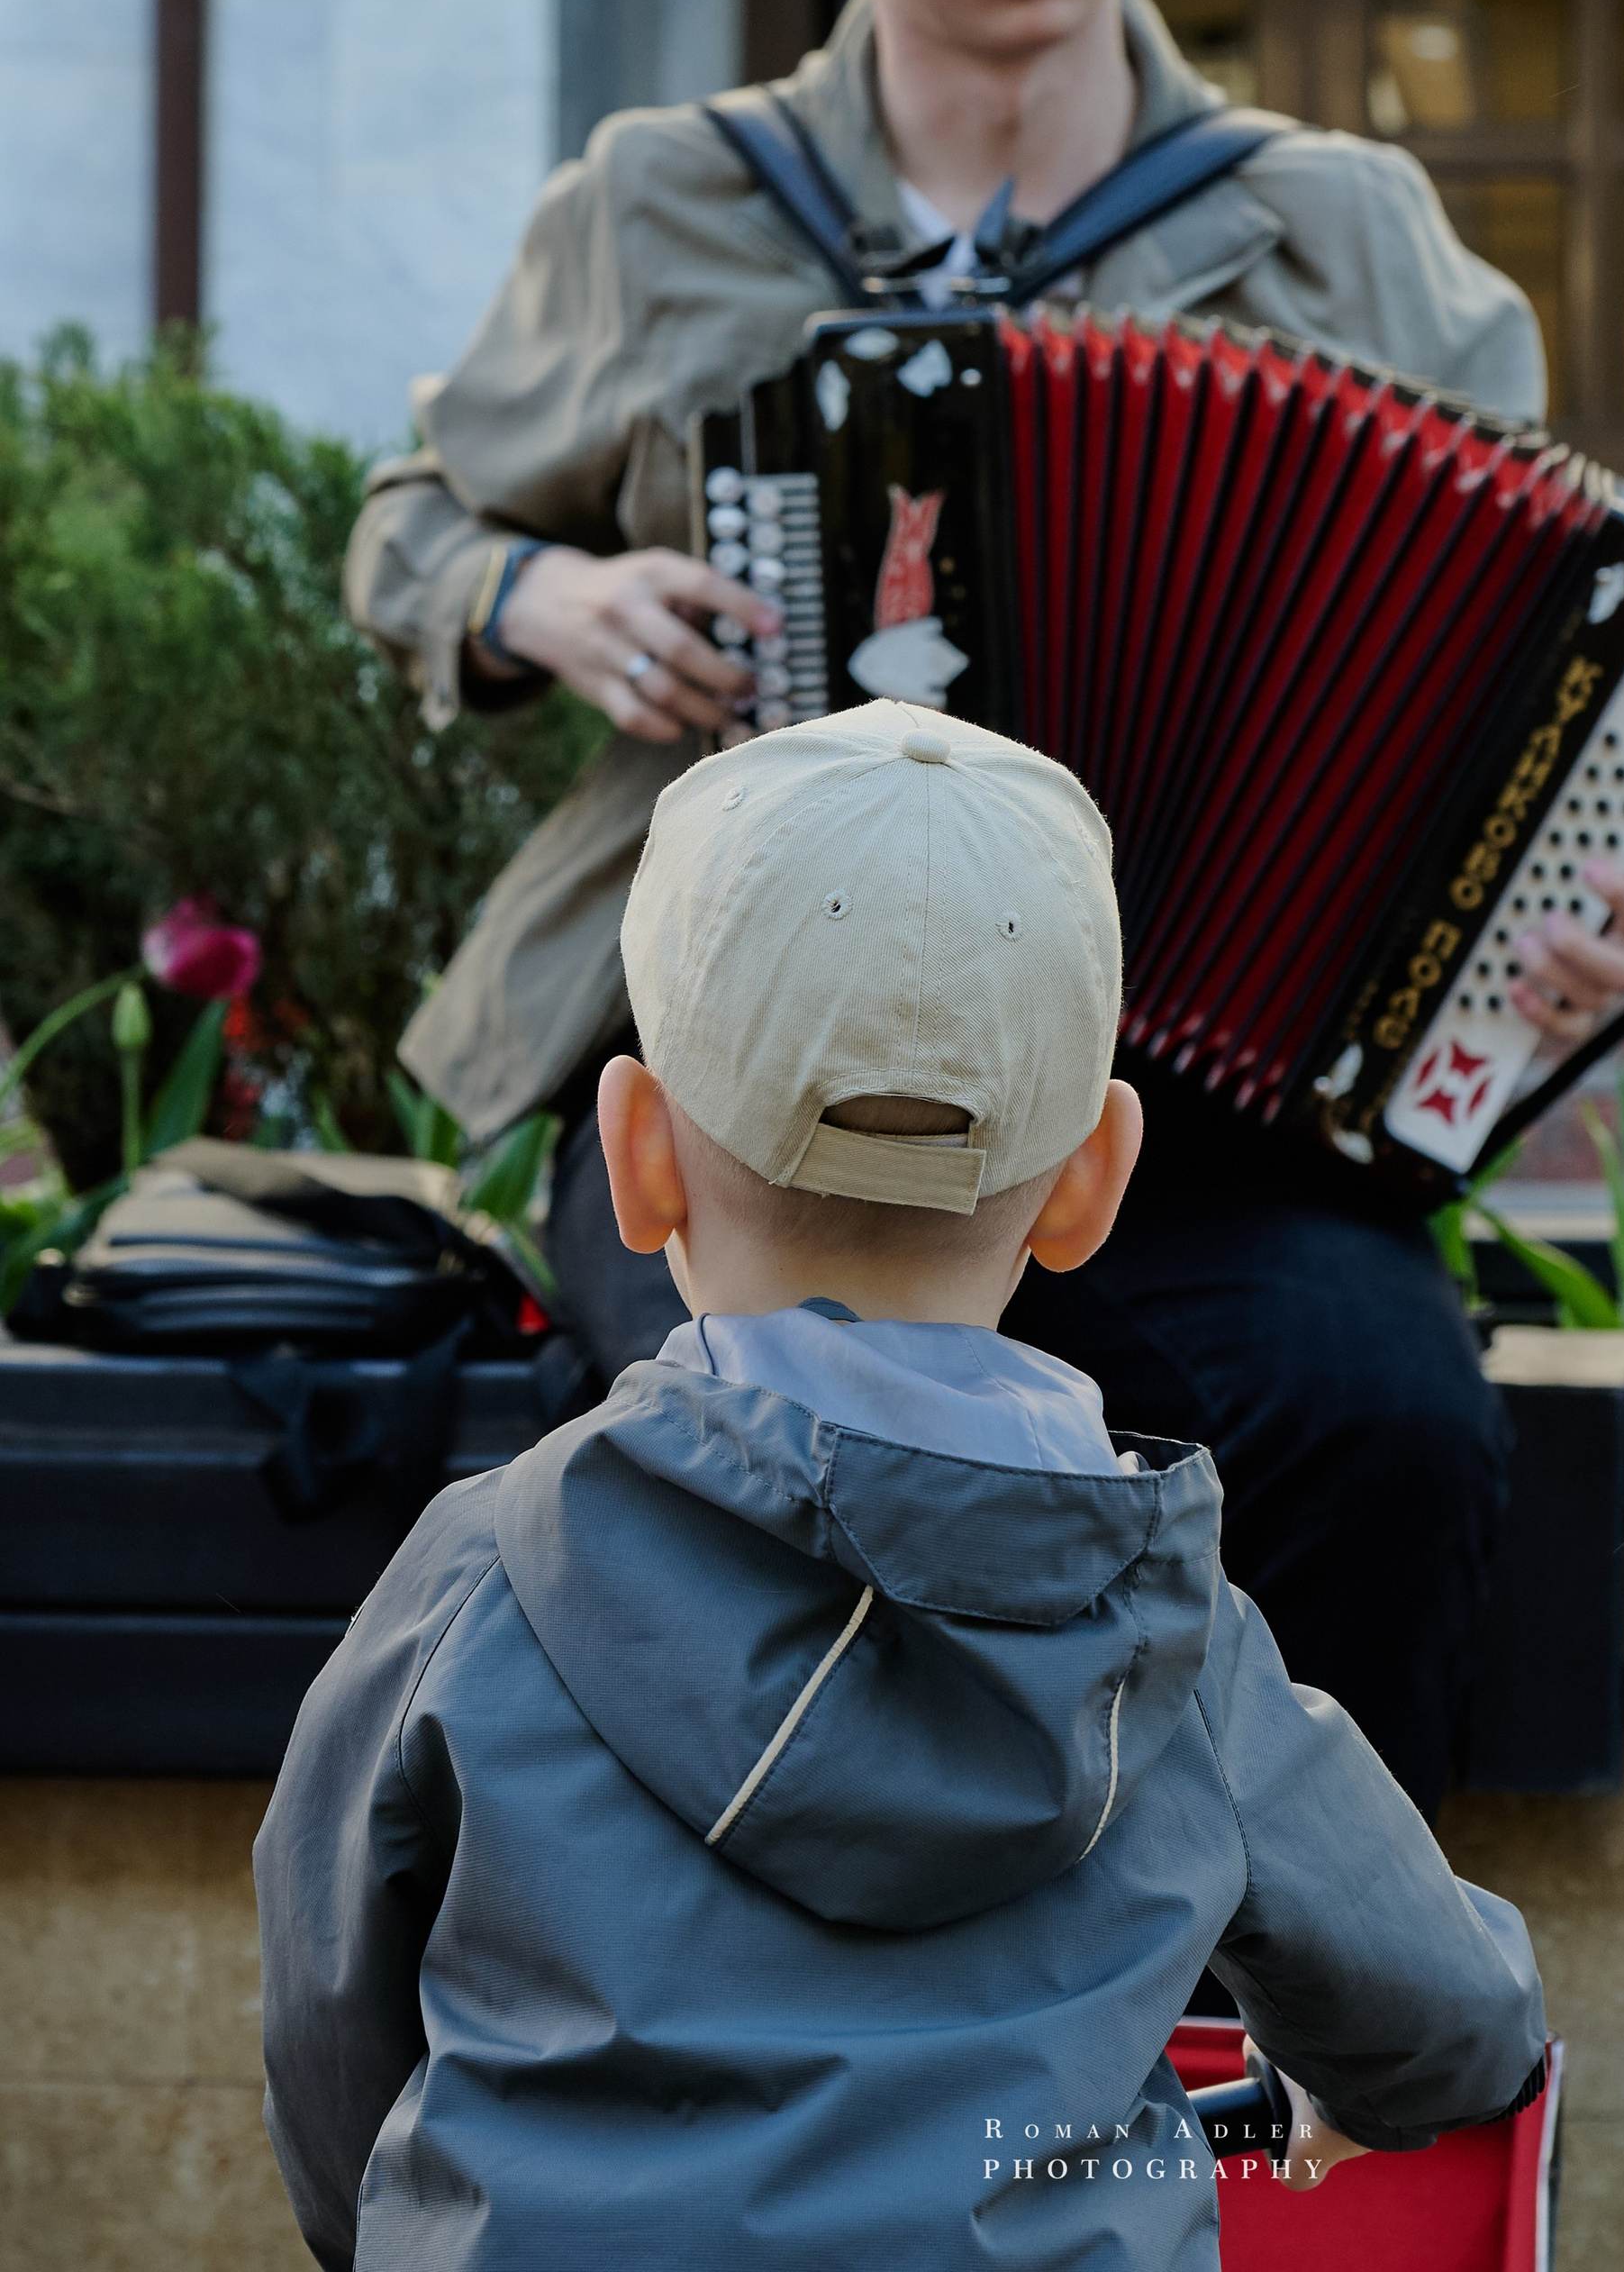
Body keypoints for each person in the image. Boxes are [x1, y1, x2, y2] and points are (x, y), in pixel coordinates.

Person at [343, 0, 1624, 1812]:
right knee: (773, 1443)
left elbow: (1561, 676)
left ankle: (1256, 2052)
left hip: (1185, 1094)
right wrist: (538, 602)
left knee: (1376, 1418)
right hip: (740, 1058)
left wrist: (1606, 885)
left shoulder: (1336, 233)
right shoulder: (671, 203)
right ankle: (815, 2054)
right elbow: (414, 523)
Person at [253, 705, 1549, 2270]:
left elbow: (332, 2020)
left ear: (637, 1152)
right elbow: (1458, 2034)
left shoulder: (486, 1578)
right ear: (1090, 1183)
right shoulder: (1173, 1644)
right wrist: (1339, 2083)